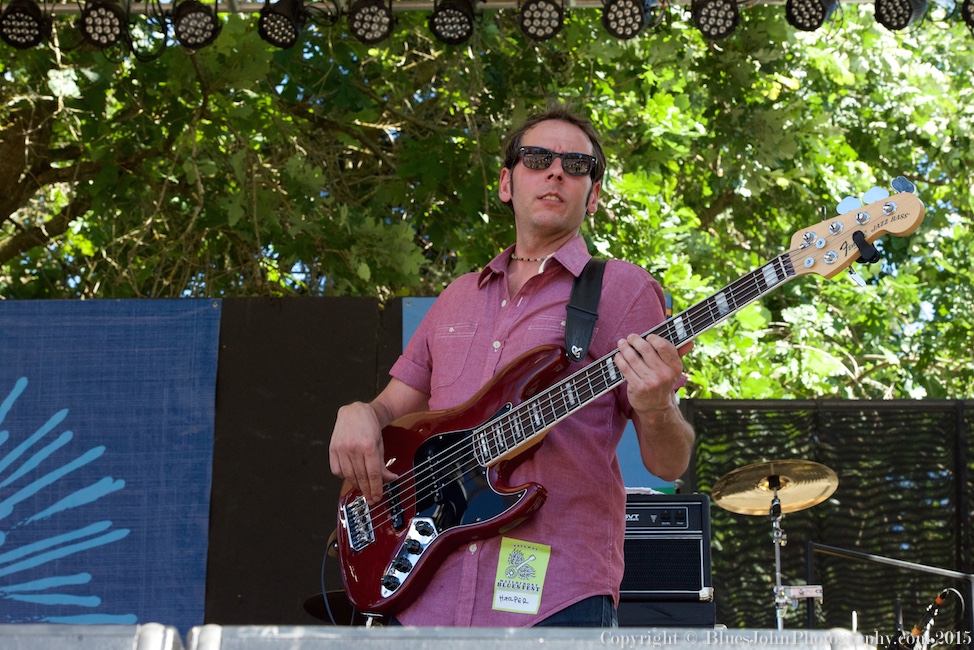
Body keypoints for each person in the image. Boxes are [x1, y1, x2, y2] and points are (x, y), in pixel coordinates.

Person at [328, 104, 695, 628]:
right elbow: (391, 408)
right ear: (506, 182)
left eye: (575, 165)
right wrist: (359, 412)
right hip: (426, 602)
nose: (555, 171)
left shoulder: (624, 290)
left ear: (592, 197)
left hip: (554, 597)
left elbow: (669, 464)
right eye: (537, 157)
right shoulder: (457, 297)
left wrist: (657, 407)